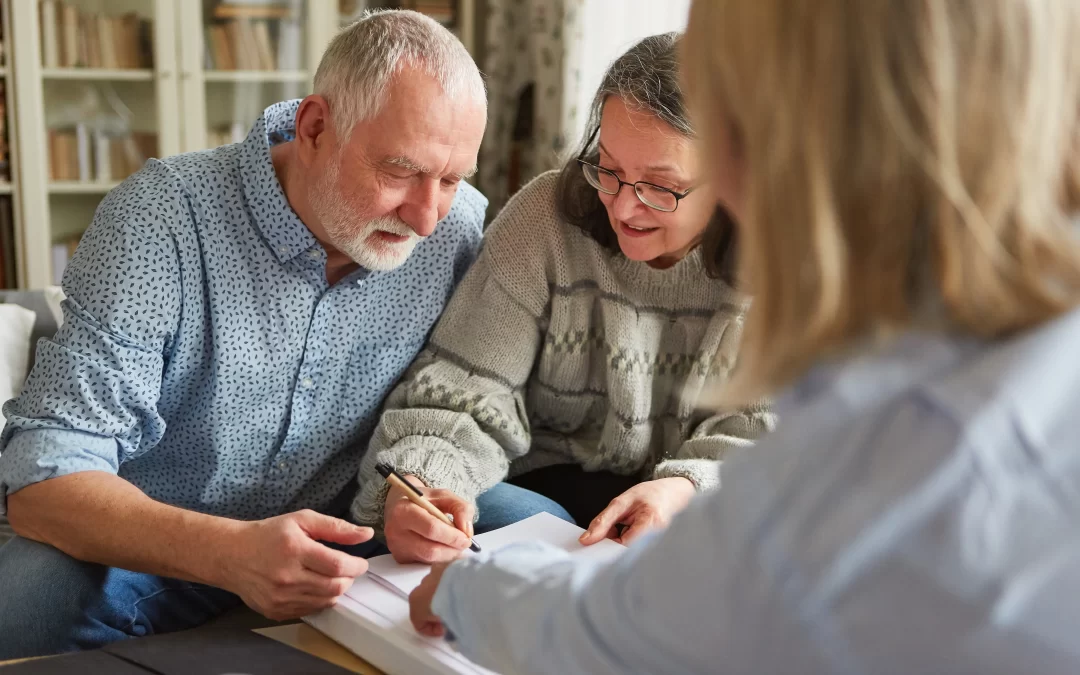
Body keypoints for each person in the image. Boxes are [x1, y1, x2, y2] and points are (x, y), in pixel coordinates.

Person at [406, 0, 1080, 673]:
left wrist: (471, 590)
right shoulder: (968, 338)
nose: (625, 203)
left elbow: (661, 616)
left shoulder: (885, 415)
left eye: (670, 182)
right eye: (608, 169)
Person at [0, 10, 491, 660]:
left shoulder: (460, 231)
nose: (427, 218)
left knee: (526, 527)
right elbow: (43, 479)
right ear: (314, 128)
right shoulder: (160, 218)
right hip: (159, 545)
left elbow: (451, 403)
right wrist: (230, 553)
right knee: (24, 598)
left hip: (350, 528)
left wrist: (417, 492)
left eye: (451, 179)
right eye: (400, 171)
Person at [351, 32, 773, 566]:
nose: (623, 208)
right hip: (539, 492)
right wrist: (423, 483)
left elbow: (768, 434)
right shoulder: (544, 219)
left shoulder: (781, 256)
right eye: (610, 169)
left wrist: (685, 488)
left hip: (691, 504)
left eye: (660, 186)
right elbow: (464, 387)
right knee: (504, 517)